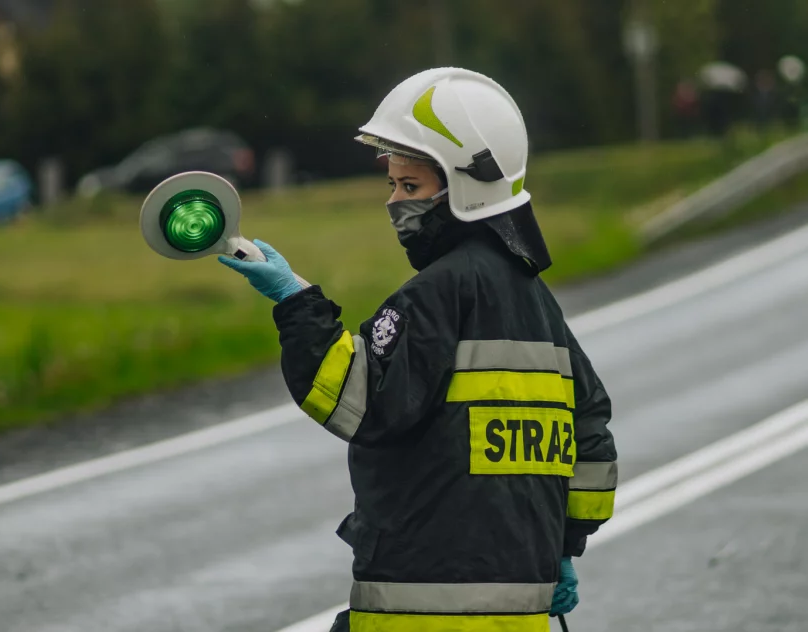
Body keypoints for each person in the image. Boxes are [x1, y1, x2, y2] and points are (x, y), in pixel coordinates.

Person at [219, 68, 617, 632]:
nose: (395, 204)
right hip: (520, 611)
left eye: (411, 187)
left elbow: (360, 401)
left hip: (421, 608)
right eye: (393, 186)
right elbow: (593, 438)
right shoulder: (538, 300)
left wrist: (294, 300)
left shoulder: (437, 292)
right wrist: (564, 545)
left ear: (465, 186)